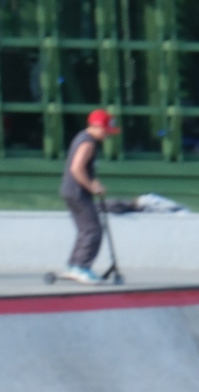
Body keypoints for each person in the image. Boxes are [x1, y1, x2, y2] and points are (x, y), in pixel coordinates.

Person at [58, 108, 119, 284]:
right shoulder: (88, 143)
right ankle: (81, 267)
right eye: (107, 131)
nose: (108, 135)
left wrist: (93, 181)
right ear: (97, 127)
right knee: (93, 230)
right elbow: (76, 169)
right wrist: (93, 186)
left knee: (85, 229)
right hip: (78, 192)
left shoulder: (82, 138)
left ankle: (73, 266)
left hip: (70, 190)